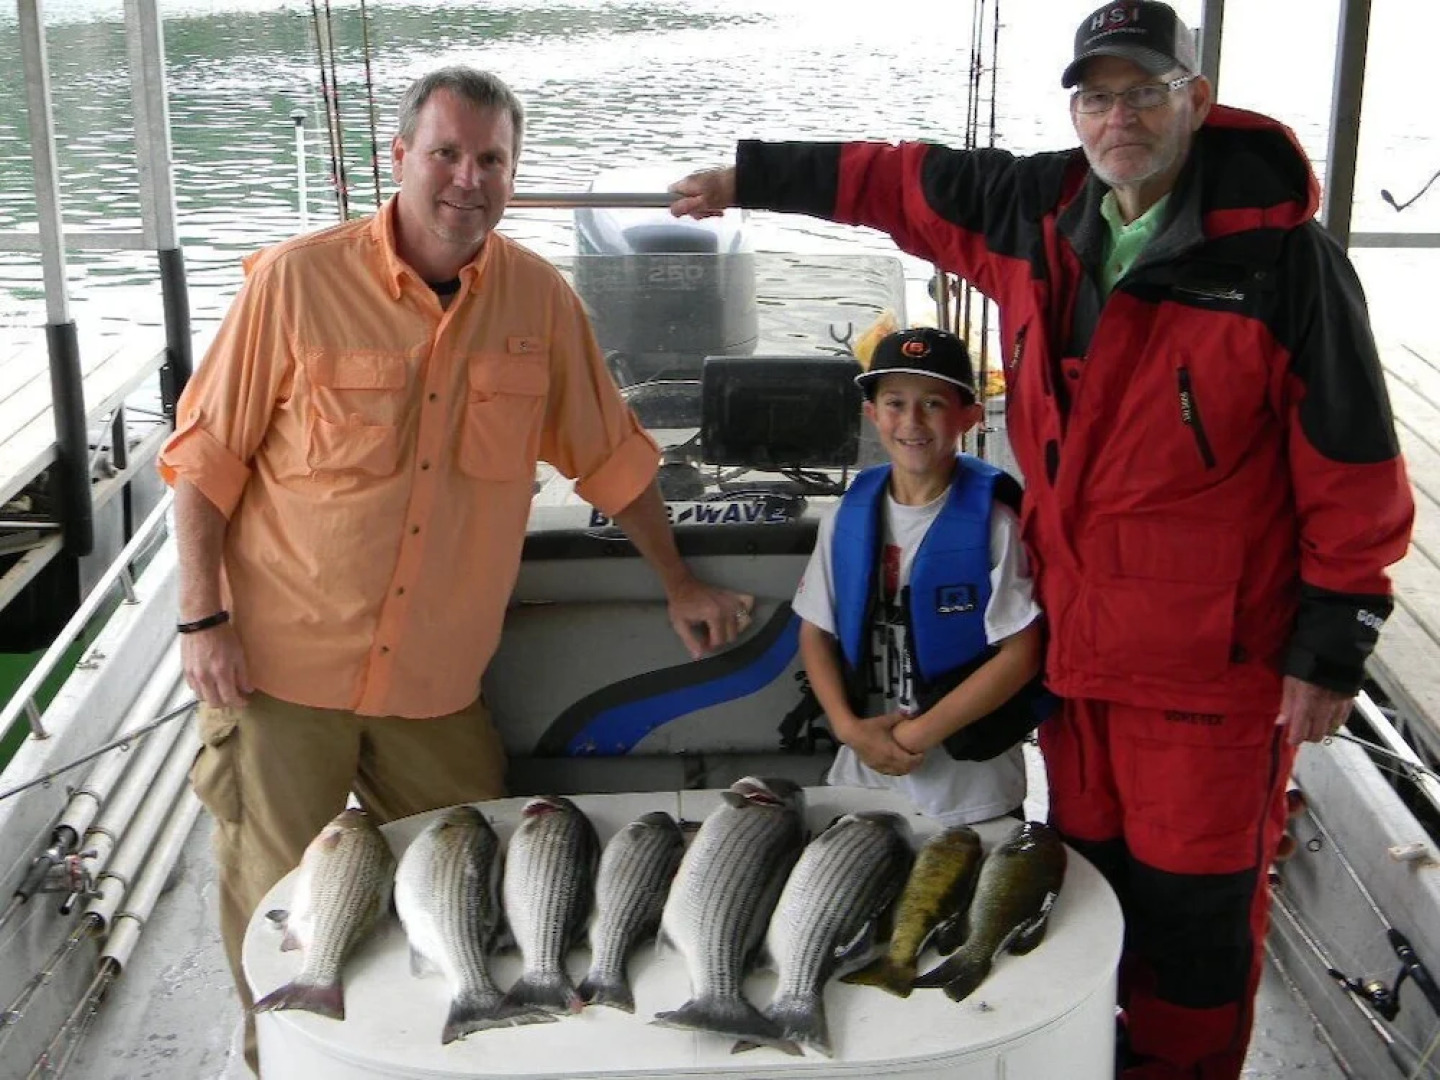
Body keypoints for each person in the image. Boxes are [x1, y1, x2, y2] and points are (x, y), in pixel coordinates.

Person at [667, 3, 1415, 1078]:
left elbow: (1353, 470)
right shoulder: (1039, 208)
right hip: (1076, 672)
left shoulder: (1284, 263)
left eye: (1145, 92)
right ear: (1077, 111)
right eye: (1098, 96)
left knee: (1193, 937)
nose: (1120, 117)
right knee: (1087, 901)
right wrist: (747, 178)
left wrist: (1335, 642)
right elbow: (898, 180)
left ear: (1193, 102)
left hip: (1211, 681)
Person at [159, 66, 752, 1073]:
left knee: (476, 887)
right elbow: (204, 461)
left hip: (435, 686)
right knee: (273, 906)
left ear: (513, 176)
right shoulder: (295, 283)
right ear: (401, 158)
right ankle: (276, 1061)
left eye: (491, 160)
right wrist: (200, 618)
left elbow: (611, 456)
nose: (466, 179)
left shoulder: (540, 301)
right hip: (279, 674)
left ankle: (441, 1057)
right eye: (446, 153)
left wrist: (679, 582)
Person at [793, 327, 1044, 826]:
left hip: (974, 789)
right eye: (894, 403)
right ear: (872, 414)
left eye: (932, 403)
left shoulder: (995, 524)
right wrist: (848, 728)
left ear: (969, 417)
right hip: (863, 778)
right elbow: (814, 633)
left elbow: (1022, 654)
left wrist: (914, 737)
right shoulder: (845, 517)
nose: (911, 421)